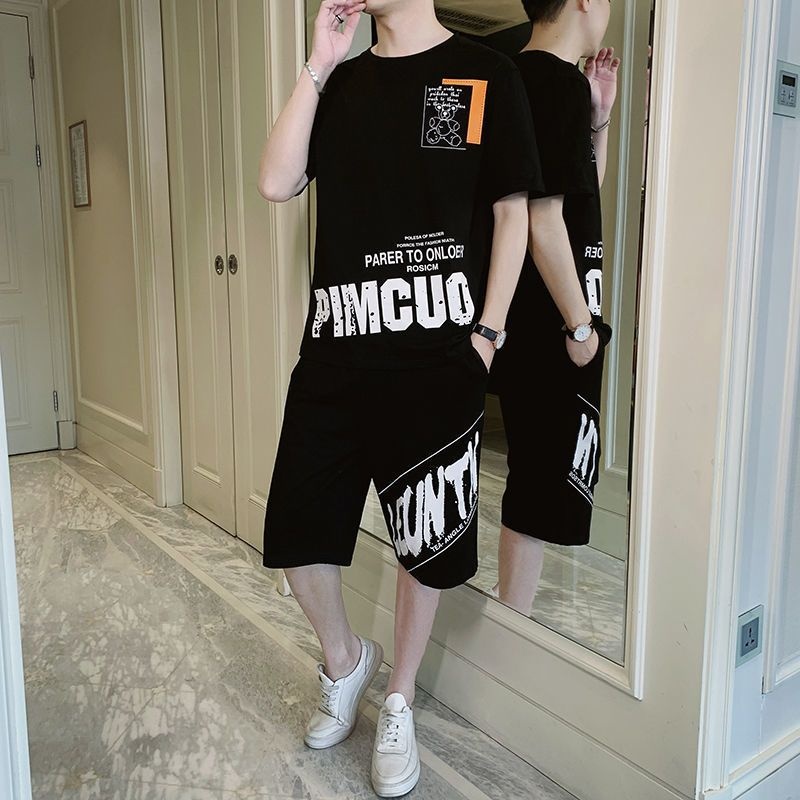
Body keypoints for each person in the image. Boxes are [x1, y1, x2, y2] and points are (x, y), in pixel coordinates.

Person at [257, 1, 539, 795]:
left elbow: (512, 213)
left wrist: (487, 337)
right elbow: (276, 181)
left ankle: (400, 698)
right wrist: (319, 60)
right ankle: (346, 661)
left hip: (437, 360)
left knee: (426, 542)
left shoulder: (485, 76)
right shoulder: (341, 85)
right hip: (335, 353)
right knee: (297, 536)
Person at [488, 0, 621, 615]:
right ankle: (511, 629)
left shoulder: (515, 77)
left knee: (533, 475)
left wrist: (598, 121)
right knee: (542, 484)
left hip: (534, 318)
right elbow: (545, 221)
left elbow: (578, 195)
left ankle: (508, 619)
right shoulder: (556, 83)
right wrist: (580, 326)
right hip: (556, 322)